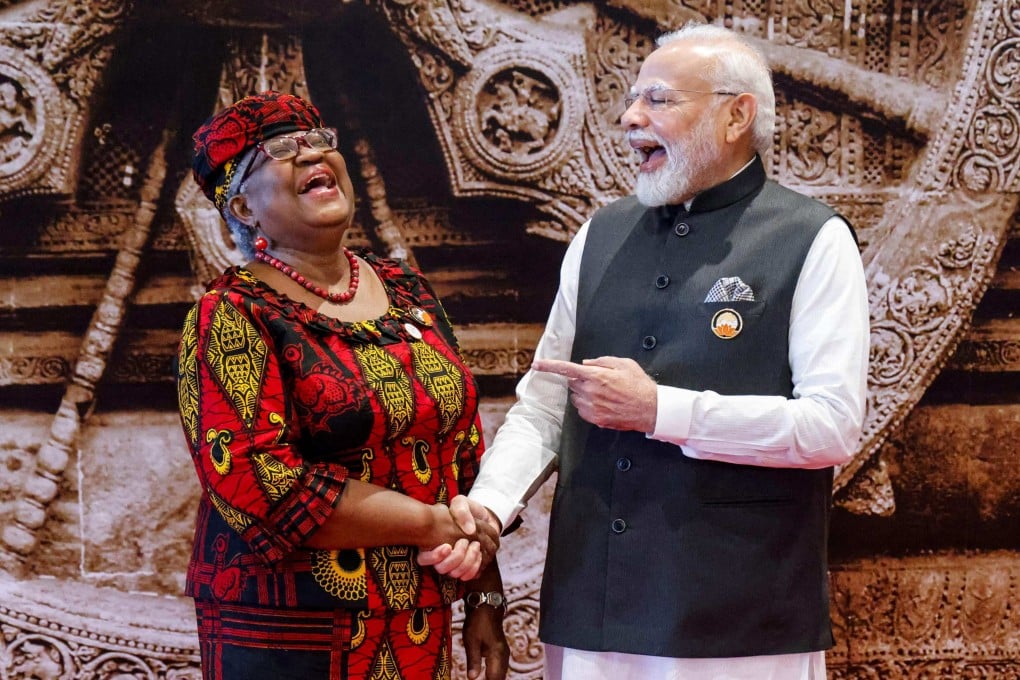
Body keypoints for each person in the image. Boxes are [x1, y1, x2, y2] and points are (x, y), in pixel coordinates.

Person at [421, 21, 869, 680]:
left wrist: (662, 411)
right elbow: (546, 407)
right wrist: (487, 509)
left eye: (658, 100)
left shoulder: (813, 239)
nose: (631, 118)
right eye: (633, 100)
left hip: (739, 620)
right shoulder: (598, 235)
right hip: (590, 610)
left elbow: (831, 427)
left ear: (735, 115)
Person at [177, 91, 509, 680]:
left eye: (319, 140)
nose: (310, 154)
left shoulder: (407, 289)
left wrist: (484, 592)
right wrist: (430, 524)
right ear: (244, 208)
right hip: (289, 629)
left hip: (416, 614)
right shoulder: (230, 314)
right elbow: (260, 483)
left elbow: (460, 451)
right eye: (279, 150)